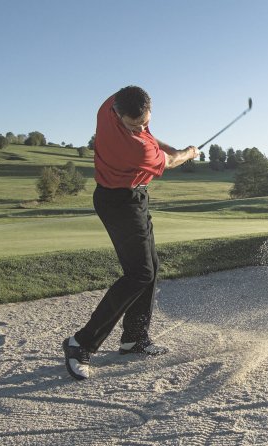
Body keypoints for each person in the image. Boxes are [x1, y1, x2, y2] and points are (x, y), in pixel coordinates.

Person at [63, 86, 198, 380]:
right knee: (139, 273)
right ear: (117, 113)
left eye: (144, 122)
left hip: (132, 197)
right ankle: (80, 343)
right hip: (120, 203)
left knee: (150, 268)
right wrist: (188, 153)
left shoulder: (109, 106)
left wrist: (173, 148)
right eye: (133, 125)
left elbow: (148, 136)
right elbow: (169, 161)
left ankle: (134, 338)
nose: (140, 129)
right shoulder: (137, 149)